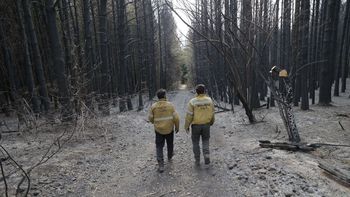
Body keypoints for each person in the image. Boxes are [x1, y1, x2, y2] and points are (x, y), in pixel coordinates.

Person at [148, 89, 180, 173]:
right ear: (165, 96)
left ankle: (161, 164)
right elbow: (176, 118)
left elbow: (150, 118)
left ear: (158, 97)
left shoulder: (153, 106)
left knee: (159, 146)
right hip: (169, 129)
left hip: (158, 130)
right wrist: (177, 127)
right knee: (170, 144)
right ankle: (169, 156)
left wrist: (154, 122)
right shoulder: (170, 105)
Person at [184, 84, 215, 166]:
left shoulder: (192, 101)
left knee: (195, 143)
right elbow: (212, 113)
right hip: (206, 125)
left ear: (196, 92)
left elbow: (189, 115)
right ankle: (207, 156)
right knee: (205, 141)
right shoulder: (209, 100)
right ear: (204, 91)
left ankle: (197, 160)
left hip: (196, 126)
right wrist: (211, 122)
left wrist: (186, 126)